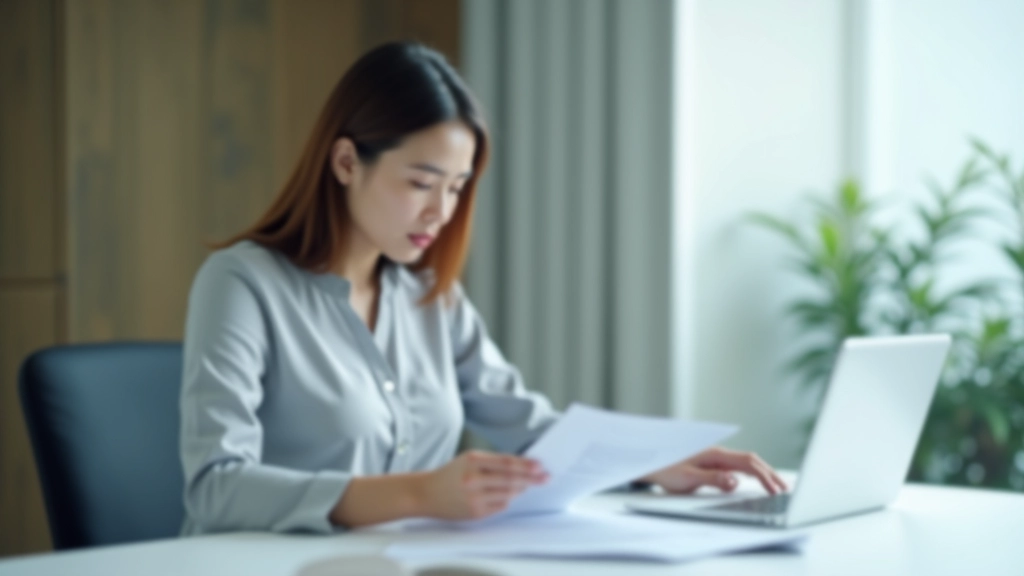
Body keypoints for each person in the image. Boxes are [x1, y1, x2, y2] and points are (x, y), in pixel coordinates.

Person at [179, 41, 787, 536]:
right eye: (421, 182)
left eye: (457, 187)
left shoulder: (429, 296)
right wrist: (421, 492)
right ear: (345, 163)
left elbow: (528, 425)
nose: (441, 212)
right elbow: (216, 486)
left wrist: (654, 465)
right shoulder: (242, 284)